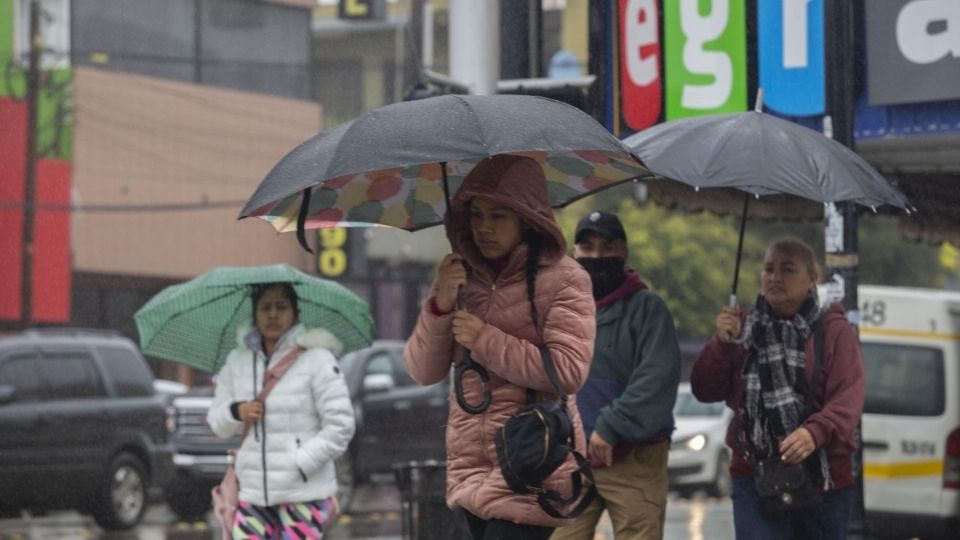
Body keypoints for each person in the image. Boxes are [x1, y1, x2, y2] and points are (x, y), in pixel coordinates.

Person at [404, 154, 597, 540]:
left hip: (529, 463)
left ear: (527, 218)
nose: (483, 228)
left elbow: (568, 371)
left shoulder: (565, 278)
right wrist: (441, 303)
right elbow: (422, 370)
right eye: (475, 215)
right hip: (469, 468)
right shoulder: (460, 276)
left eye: (498, 216)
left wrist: (484, 339)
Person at [691, 238, 865, 540]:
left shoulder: (834, 330)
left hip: (824, 482)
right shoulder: (741, 327)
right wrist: (720, 343)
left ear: (812, 278)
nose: (774, 277)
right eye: (768, 269)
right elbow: (705, 389)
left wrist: (815, 432)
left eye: (787, 269)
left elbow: (848, 398)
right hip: (755, 476)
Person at [551, 210, 681, 540]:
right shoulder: (561, 309)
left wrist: (610, 427)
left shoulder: (648, 309)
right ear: (574, 253)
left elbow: (656, 379)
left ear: (623, 252)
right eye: (588, 247)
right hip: (570, 459)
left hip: (634, 460)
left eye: (607, 247)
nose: (597, 256)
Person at [208, 282, 355, 539]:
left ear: (296, 313)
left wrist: (300, 462)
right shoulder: (237, 361)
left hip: (303, 494)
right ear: (255, 315)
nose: (273, 314)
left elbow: (341, 426)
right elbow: (217, 424)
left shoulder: (318, 359)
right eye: (265, 308)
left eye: (281, 307)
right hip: (252, 493)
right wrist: (236, 411)